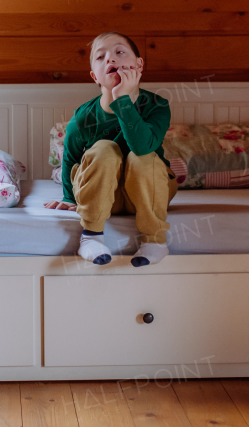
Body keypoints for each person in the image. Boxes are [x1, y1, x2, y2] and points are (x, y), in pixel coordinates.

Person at [44, 32, 177, 266]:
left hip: (148, 193)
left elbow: (142, 146)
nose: (110, 60)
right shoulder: (84, 115)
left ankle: (154, 241)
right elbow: (71, 158)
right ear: (95, 76)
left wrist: (122, 99)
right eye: (101, 57)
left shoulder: (157, 106)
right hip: (105, 194)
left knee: (141, 157)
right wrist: (68, 196)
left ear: (139, 64)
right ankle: (91, 236)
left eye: (119, 52)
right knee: (104, 148)